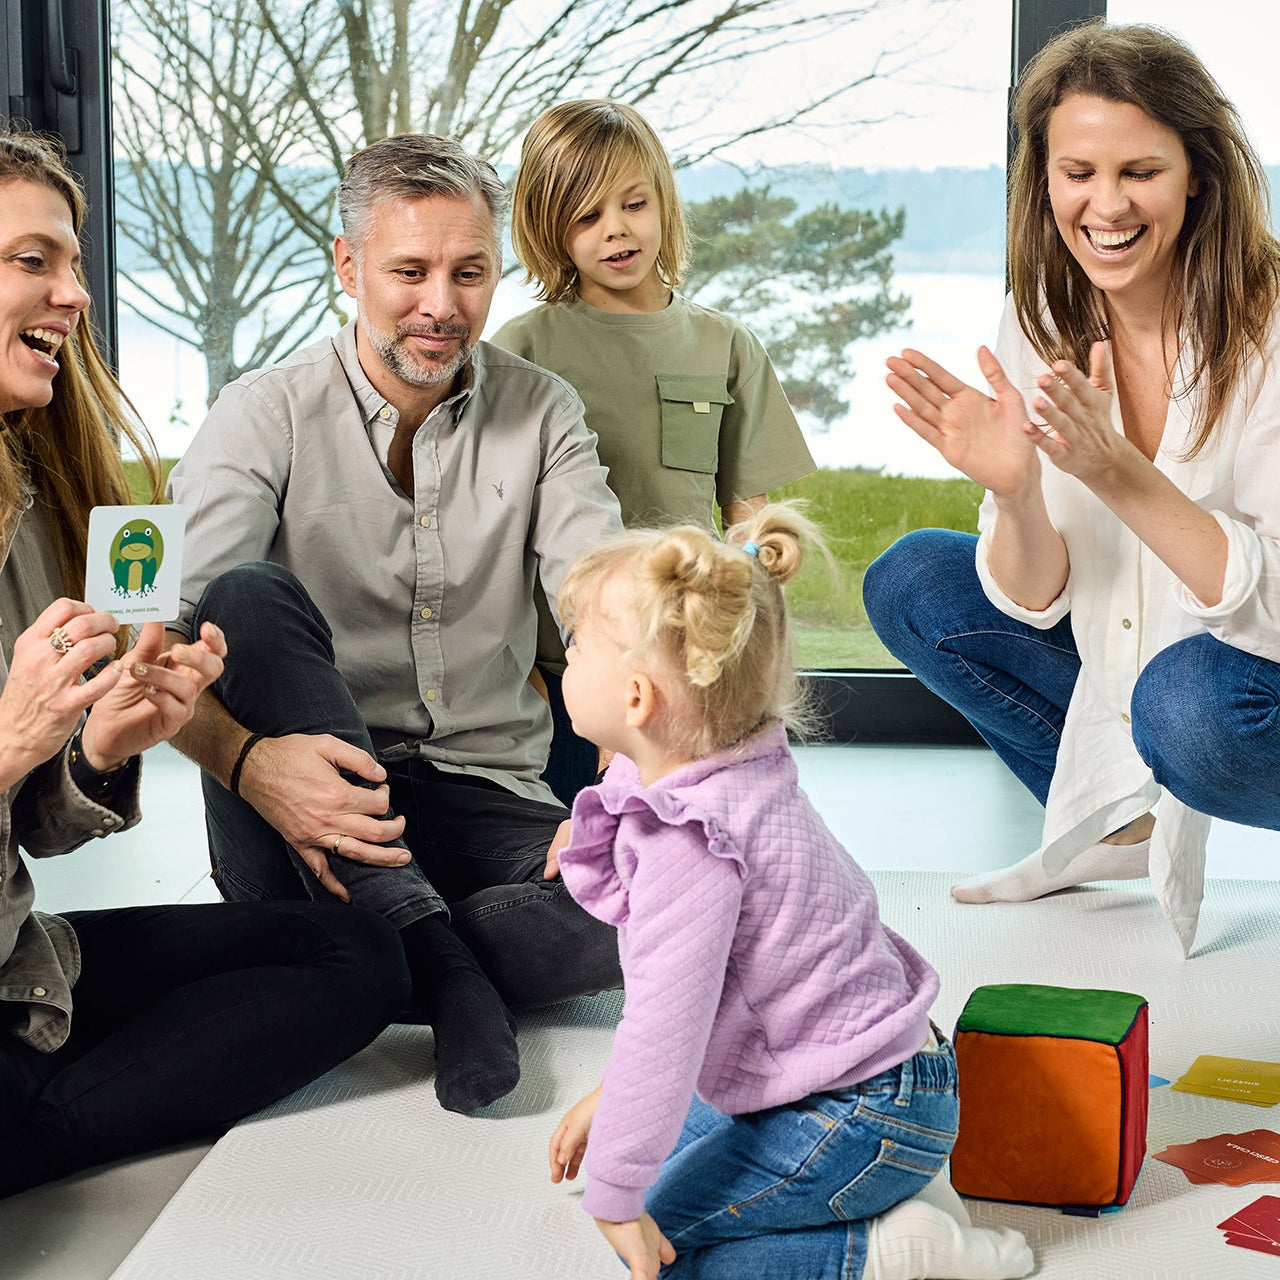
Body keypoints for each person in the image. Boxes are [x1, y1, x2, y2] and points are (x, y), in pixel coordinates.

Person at [165, 133, 626, 1114]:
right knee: (243, 596)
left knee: (662, 896)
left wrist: (624, 793)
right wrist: (251, 764)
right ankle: (445, 963)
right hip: (302, 808)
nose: (441, 306)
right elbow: (160, 651)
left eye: (470, 273)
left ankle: (396, 944)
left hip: (487, 796)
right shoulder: (261, 415)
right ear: (348, 266)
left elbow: (606, 604)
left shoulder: (544, 412)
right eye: (409, 271)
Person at [0, 127, 411, 1198]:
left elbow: (33, 827)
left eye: (75, 263)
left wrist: (93, 748)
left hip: (15, 962)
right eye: (33, 260)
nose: (73, 295)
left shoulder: (31, 503)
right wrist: (7, 743)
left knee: (356, 956)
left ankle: (28, 1123)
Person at [862, 21, 1280, 956]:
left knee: (1187, 701)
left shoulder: (1270, 328)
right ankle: (1116, 825)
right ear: (1043, 179)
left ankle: (1160, 776)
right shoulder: (1041, 317)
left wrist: (1119, 475)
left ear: (1198, 175)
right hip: (1136, 672)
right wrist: (1017, 492)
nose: (1107, 204)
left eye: (1142, 171)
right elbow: (1034, 597)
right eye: (1078, 172)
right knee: (914, 577)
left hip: (1244, 686)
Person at [546, 506, 1034, 1280]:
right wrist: (618, 1102)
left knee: (658, 1251)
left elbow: (665, 1028)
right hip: (892, 1073)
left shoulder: (687, 845)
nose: (563, 661)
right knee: (654, 1149)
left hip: (857, 1113)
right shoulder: (738, 760)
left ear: (636, 699)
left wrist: (616, 1193)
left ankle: (889, 1251)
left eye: (574, 648)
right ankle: (913, 1190)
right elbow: (696, 1016)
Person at [492, 100, 815, 804]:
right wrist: (521, 672)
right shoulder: (519, 351)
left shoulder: (726, 346)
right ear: (548, 228)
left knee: (689, 836)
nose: (616, 229)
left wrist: (760, 573)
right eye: (586, 216)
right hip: (560, 677)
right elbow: (490, 532)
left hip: (687, 670)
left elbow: (748, 519)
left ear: (664, 203)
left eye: (634, 204)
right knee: (568, 848)